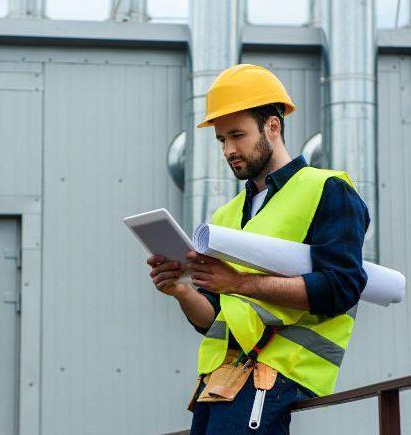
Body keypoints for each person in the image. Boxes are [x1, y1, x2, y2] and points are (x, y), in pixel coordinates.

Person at [147, 64, 370, 434]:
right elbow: (214, 318)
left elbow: (341, 288)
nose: (229, 150)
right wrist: (181, 290)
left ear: (272, 126)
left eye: (237, 135)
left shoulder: (328, 190)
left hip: (275, 376)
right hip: (218, 382)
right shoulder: (227, 215)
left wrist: (237, 282)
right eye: (221, 140)